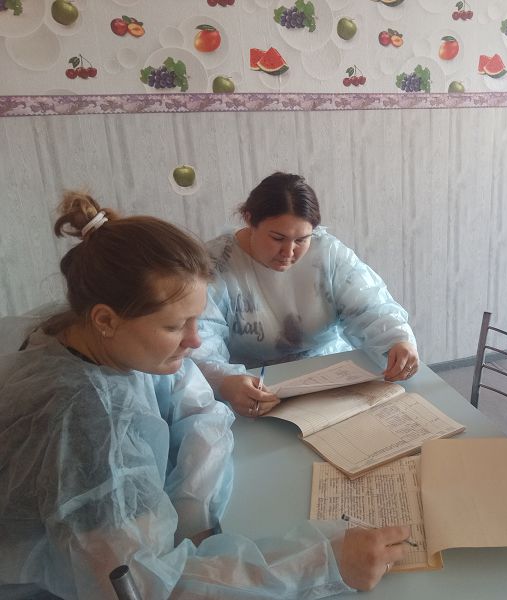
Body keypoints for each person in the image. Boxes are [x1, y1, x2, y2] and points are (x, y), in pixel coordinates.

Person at [0, 192, 410, 599]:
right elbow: (142, 589)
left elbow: (196, 404)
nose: (195, 340)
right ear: (105, 319)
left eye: (196, 319)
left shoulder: (95, 334)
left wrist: (193, 515)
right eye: (175, 326)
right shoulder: (83, 424)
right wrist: (323, 564)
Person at [193, 172, 419, 417]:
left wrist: (398, 340)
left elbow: (371, 306)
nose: (288, 252)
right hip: (254, 385)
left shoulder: (327, 253)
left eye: (301, 240)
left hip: (329, 375)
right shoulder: (215, 264)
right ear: (249, 220)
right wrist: (225, 381)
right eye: (277, 238)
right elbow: (198, 339)